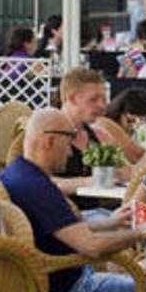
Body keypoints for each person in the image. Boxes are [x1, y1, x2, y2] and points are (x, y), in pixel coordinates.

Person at [0, 109, 146, 292]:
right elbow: (90, 247)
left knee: (139, 275)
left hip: (46, 285)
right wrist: (138, 233)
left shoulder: (17, 174)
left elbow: (65, 230)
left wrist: (111, 222)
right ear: (50, 141)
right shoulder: (38, 188)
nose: (72, 151)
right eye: (69, 141)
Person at [52, 68, 118, 200]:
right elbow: (38, 182)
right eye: (94, 99)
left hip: (103, 212)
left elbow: (127, 173)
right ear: (72, 98)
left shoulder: (100, 134)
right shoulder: (49, 135)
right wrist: (88, 182)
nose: (102, 106)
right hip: (69, 215)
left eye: (104, 99)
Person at [96, 87, 146, 165]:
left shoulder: (145, 130)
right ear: (119, 112)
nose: (134, 126)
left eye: (142, 120)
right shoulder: (104, 125)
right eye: (130, 121)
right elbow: (136, 157)